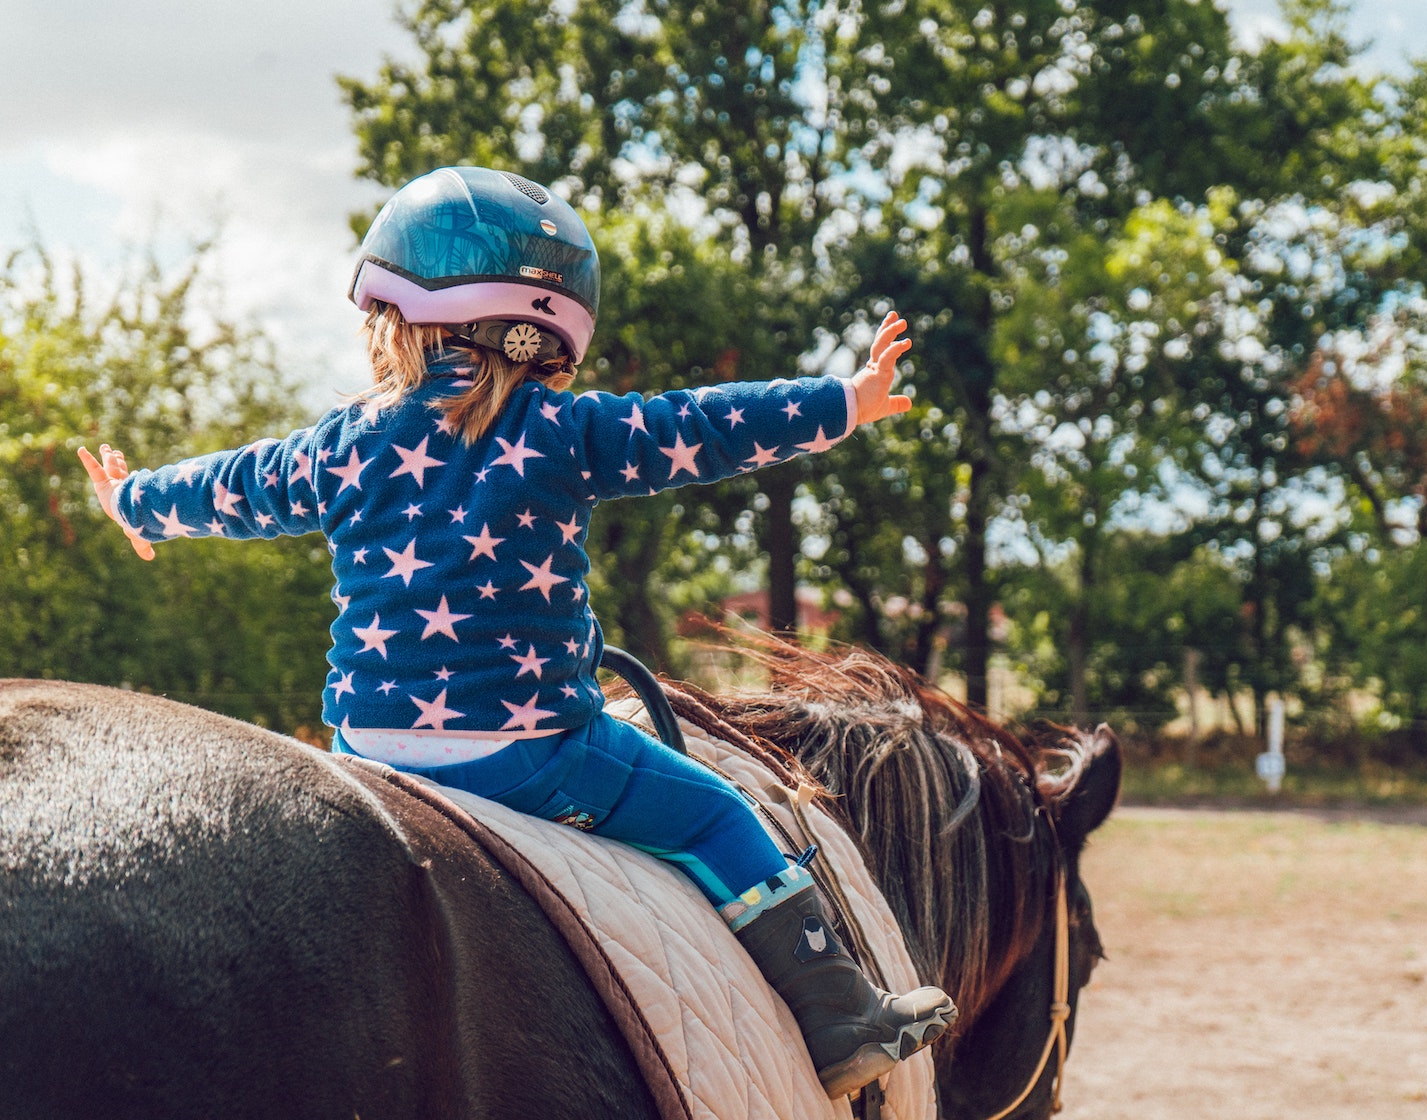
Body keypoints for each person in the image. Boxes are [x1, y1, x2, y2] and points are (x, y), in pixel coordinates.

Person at [79, 165, 956, 1097]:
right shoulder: (563, 431)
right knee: (716, 814)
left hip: (368, 753)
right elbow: (703, 424)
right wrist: (845, 403)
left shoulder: (341, 440)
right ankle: (840, 1018)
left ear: (393, 316)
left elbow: (238, 486)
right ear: (551, 334)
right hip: (532, 754)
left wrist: (137, 504)